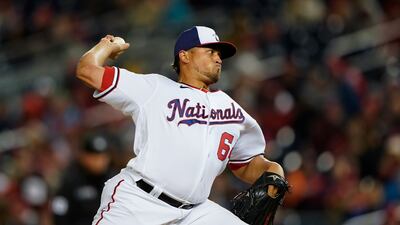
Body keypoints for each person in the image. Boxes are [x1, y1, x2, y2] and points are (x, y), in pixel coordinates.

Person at [76, 26, 285, 225]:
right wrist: (106, 46)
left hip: (194, 213)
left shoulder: (232, 109)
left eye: (219, 54)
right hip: (139, 201)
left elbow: (246, 164)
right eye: (211, 51)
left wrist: (272, 169)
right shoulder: (154, 88)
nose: (218, 58)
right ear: (184, 56)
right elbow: (87, 70)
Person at [52, 132, 115, 225]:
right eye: (95, 157)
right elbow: (59, 213)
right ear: (84, 156)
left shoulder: (115, 180)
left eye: (103, 157)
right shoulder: (71, 180)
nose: (100, 161)